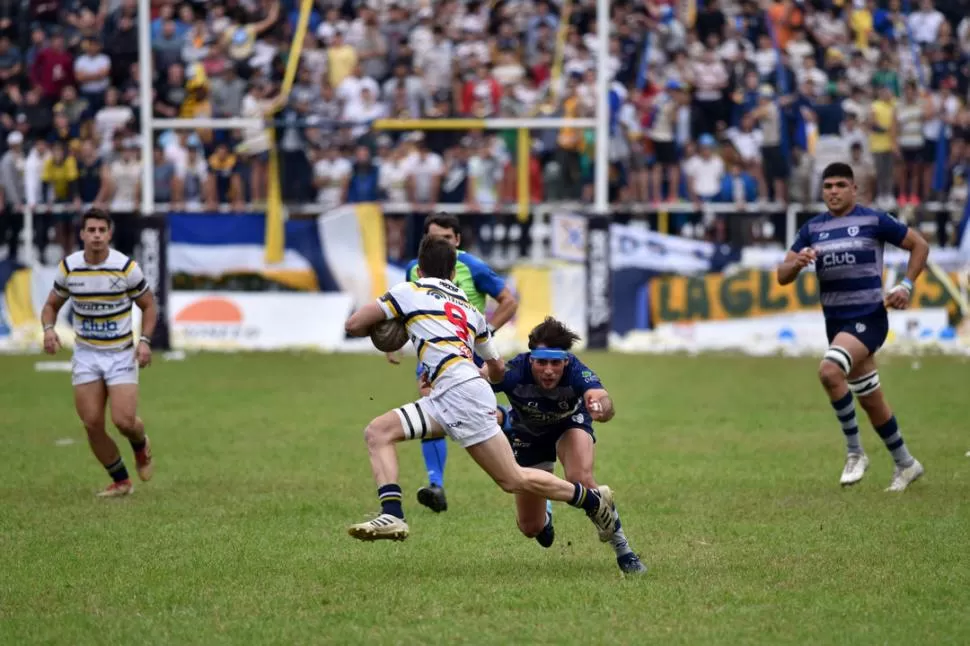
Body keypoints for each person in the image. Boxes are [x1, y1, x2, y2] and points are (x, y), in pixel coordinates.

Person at [344, 235, 616, 545]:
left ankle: (594, 501)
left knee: (513, 478)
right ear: (451, 273)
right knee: (378, 432)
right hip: (452, 392)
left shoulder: (408, 291)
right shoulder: (467, 307)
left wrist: (386, 330)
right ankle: (393, 514)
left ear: (419, 270)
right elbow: (497, 367)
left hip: (459, 394)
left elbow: (353, 324)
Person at [776, 163, 929, 491]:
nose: (833, 191)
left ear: (854, 189)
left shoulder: (873, 220)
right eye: (828, 185)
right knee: (871, 399)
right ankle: (906, 463)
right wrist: (796, 263)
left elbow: (920, 246)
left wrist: (905, 286)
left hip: (869, 317)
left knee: (830, 371)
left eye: (840, 185)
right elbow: (781, 275)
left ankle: (855, 452)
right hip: (837, 323)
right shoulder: (812, 228)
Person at [489, 317, 648, 575]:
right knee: (530, 527)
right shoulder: (515, 371)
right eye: (542, 362)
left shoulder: (576, 370)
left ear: (565, 360)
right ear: (531, 359)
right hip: (527, 434)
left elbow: (602, 400)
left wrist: (600, 408)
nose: (549, 370)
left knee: (581, 479)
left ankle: (624, 550)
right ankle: (546, 513)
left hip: (568, 425)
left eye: (555, 363)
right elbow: (475, 389)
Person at [388, 212, 518, 514]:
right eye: (433, 239)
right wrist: (393, 344)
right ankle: (436, 484)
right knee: (430, 404)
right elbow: (409, 311)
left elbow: (508, 301)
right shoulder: (413, 270)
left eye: (446, 238)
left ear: (457, 240)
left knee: (479, 417)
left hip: (468, 356)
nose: (440, 244)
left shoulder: (472, 266)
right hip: (433, 358)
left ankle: (509, 421)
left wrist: (485, 334)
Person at [40, 209, 157, 497]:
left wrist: (144, 341)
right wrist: (48, 329)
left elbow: (150, 306)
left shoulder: (126, 268)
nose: (95, 235)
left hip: (120, 353)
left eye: (101, 230)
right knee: (92, 423)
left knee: (123, 421)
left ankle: (140, 445)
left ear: (109, 234)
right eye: (90, 230)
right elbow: (51, 305)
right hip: (86, 354)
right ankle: (121, 481)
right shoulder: (69, 268)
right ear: (81, 234)